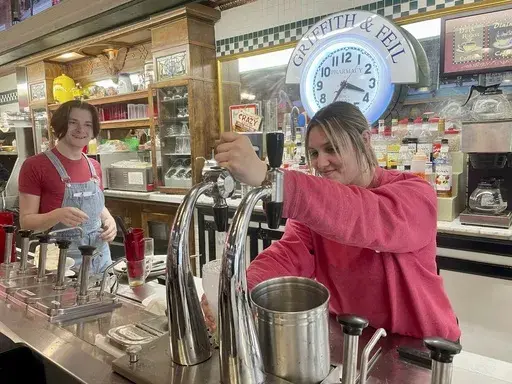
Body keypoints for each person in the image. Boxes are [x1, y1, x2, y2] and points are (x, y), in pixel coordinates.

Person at [204, 101, 461, 341]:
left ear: (364, 140)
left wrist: (271, 178)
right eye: (314, 153)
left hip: (421, 344)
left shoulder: (414, 194)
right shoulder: (317, 210)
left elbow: (361, 215)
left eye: (332, 149)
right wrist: (241, 288)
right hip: (351, 335)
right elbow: (288, 253)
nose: (321, 162)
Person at [18, 100, 116, 274]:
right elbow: (26, 222)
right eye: (73, 122)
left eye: (88, 124)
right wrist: (57, 215)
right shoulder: (35, 166)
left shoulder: (94, 166)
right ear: (60, 125)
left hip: (101, 261)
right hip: (60, 264)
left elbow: (97, 206)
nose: (81, 129)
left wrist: (109, 219)